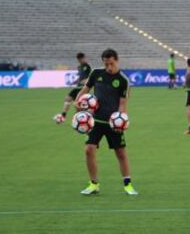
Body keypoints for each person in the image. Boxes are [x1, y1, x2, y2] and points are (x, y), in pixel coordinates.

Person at [74, 49, 138, 196]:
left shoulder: (123, 80)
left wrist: (121, 120)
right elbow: (85, 90)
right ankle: (93, 184)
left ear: (117, 60)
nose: (108, 67)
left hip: (113, 122)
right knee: (89, 150)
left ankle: (128, 185)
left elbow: (122, 103)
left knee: (121, 153)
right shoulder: (96, 73)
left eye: (111, 63)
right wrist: (78, 102)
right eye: (106, 64)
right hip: (95, 120)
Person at [54, 52, 91, 123]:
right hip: (78, 87)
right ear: (80, 59)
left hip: (82, 88)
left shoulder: (86, 66)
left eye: (84, 58)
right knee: (71, 100)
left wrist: (86, 82)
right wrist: (76, 81)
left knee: (76, 104)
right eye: (82, 59)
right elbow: (81, 77)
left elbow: (86, 78)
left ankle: (81, 118)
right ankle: (64, 116)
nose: (84, 60)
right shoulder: (80, 67)